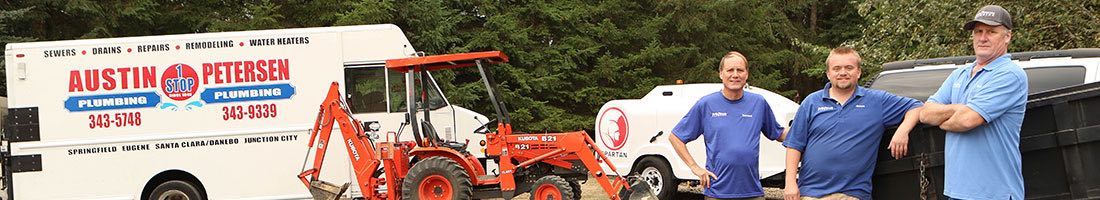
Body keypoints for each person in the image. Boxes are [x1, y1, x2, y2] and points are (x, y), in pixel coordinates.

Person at [782, 47, 924, 200]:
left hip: (852, 193)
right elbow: (795, 145)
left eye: (849, 68)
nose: (843, 72)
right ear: (828, 74)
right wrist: (790, 183)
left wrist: (903, 131)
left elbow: (917, 106)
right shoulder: (811, 102)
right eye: (836, 68)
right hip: (810, 193)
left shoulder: (877, 102)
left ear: (859, 72)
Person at [919, 5, 1026, 199]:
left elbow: (966, 121)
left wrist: (946, 117)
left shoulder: (1010, 74)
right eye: (978, 31)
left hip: (995, 193)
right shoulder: (959, 74)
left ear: (1007, 36)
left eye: (991, 32)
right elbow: (925, 113)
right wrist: (959, 109)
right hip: (957, 191)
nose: (983, 38)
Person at [669, 51, 788, 200]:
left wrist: (808, 131)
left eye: (740, 70)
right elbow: (675, 137)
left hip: (752, 192)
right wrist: (695, 168)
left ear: (747, 74)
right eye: (730, 70)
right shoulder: (706, 104)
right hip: (717, 192)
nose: (735, 74)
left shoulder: (758, 103)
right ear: (721, 74)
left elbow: (779, 134)